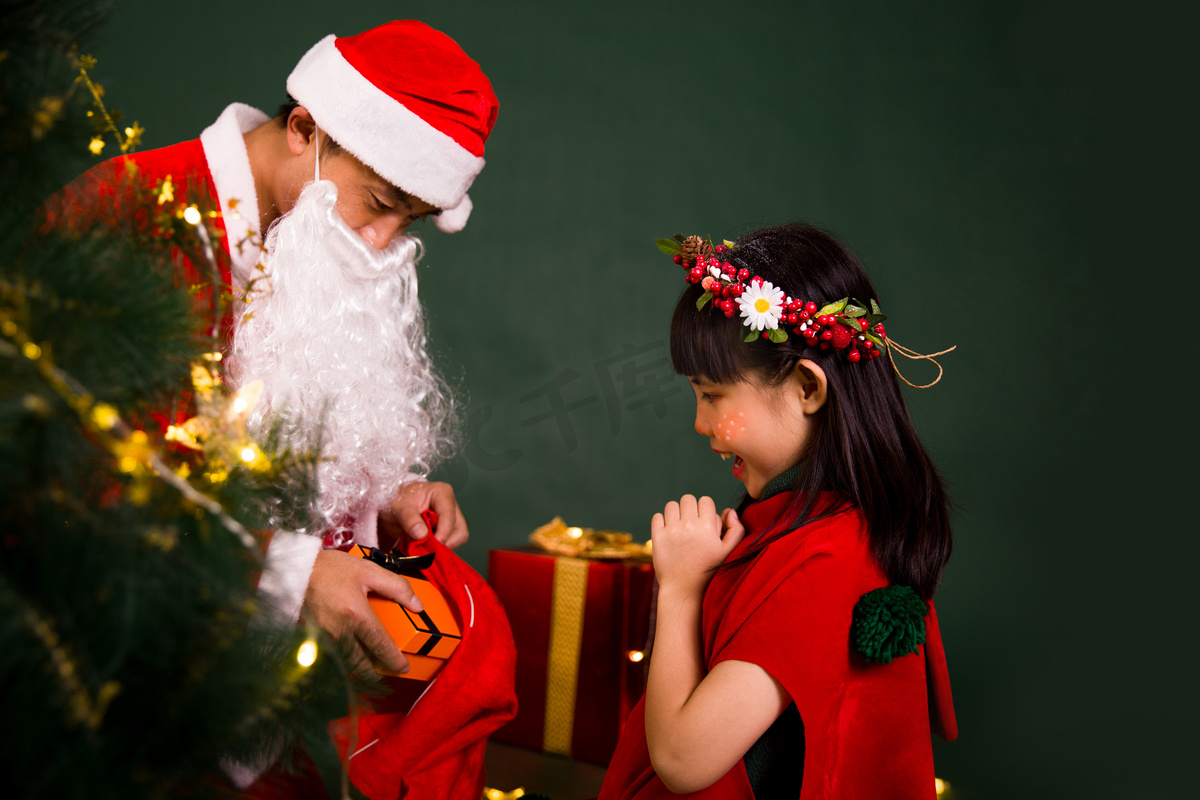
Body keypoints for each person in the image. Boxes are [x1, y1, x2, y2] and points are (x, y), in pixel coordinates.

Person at [50, 21, 515, 799]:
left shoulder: (324, 235)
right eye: (379, 205)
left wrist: (379, 493)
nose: (380, 244)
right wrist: (289, 573)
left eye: (411, 222)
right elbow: (64, 474)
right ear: (305, 129)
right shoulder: (128, 215)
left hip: (275, 723)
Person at [598, 224, 958, 799]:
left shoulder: (831, 556)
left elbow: (683, 759)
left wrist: (681, 589)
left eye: (713, 395)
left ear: (807, 389)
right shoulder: (794, 525)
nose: (700, 423)